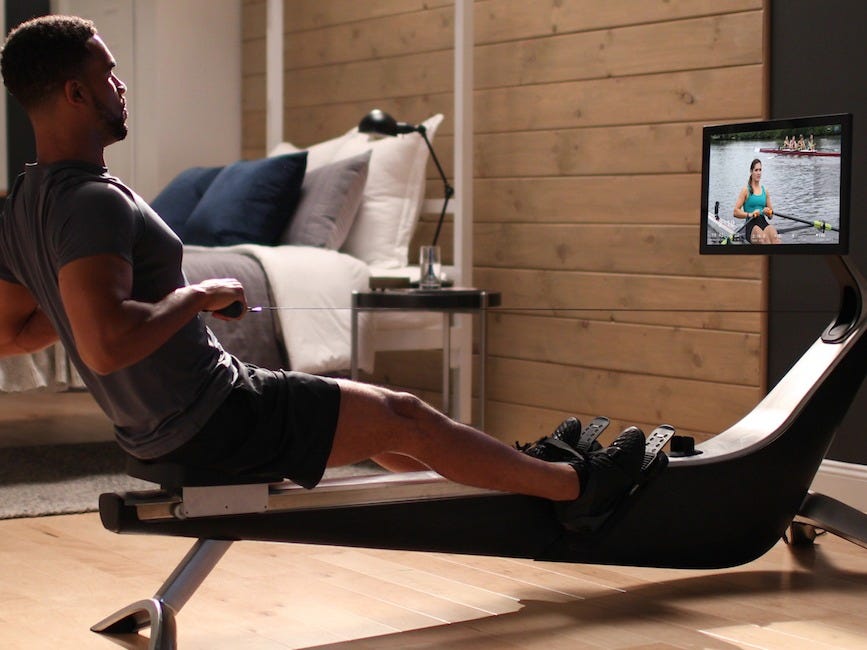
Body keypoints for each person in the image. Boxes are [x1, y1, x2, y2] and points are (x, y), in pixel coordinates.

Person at [0, 15, 661, 531]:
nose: (120, 86)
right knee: (403, 413)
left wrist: (80, 308)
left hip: (159, 429)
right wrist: (194, 295)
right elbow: (106, 344)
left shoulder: (23, 203)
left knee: (386, 423)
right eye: (109, 74)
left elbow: (14, 334)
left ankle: (519, 473)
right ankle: (580, 491)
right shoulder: (92, 200)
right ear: (75, 92)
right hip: (214, 419)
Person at [733, 158, 779, 244]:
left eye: (760, 170)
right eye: (756, 170)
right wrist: (750, 214)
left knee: (776, 239)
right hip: (751, 224)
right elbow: (735, 212)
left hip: (763, 222)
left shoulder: (765, 191)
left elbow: (771, 215)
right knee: (764, 240)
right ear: (751, 172)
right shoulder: (745, 190)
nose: (758, 173)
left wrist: (768, 212)